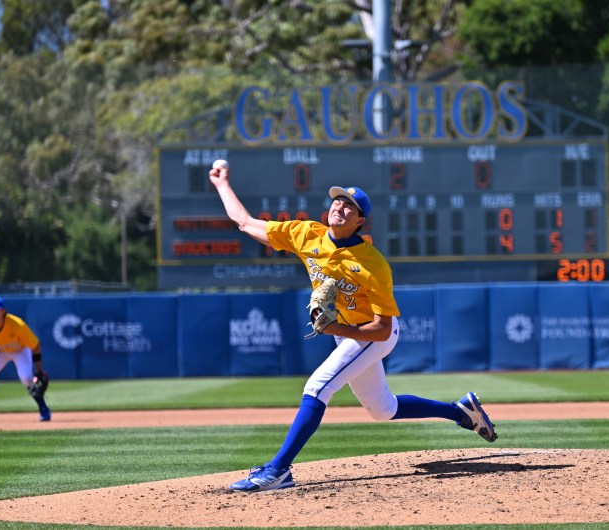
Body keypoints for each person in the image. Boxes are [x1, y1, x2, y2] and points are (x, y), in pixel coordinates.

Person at [209, 164, 498, 493]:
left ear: (360, 221)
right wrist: (222, 184)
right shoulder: (306, 235)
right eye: (337, 201)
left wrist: (339, 330)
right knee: (383, 409)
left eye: (350, 205)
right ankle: (460, 412)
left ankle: (278, 470)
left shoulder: (372, 265)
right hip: (347, 333)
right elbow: (245, 223)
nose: (340, 206)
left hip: (374, 334)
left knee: (318, 387)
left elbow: (382, 327)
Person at [0, 295, 52, 421]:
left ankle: (44, 409)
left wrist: (39, 370)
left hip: (19, 351)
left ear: (3, 311)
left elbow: (35, 345)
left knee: (26, 378)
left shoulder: (18, 325)